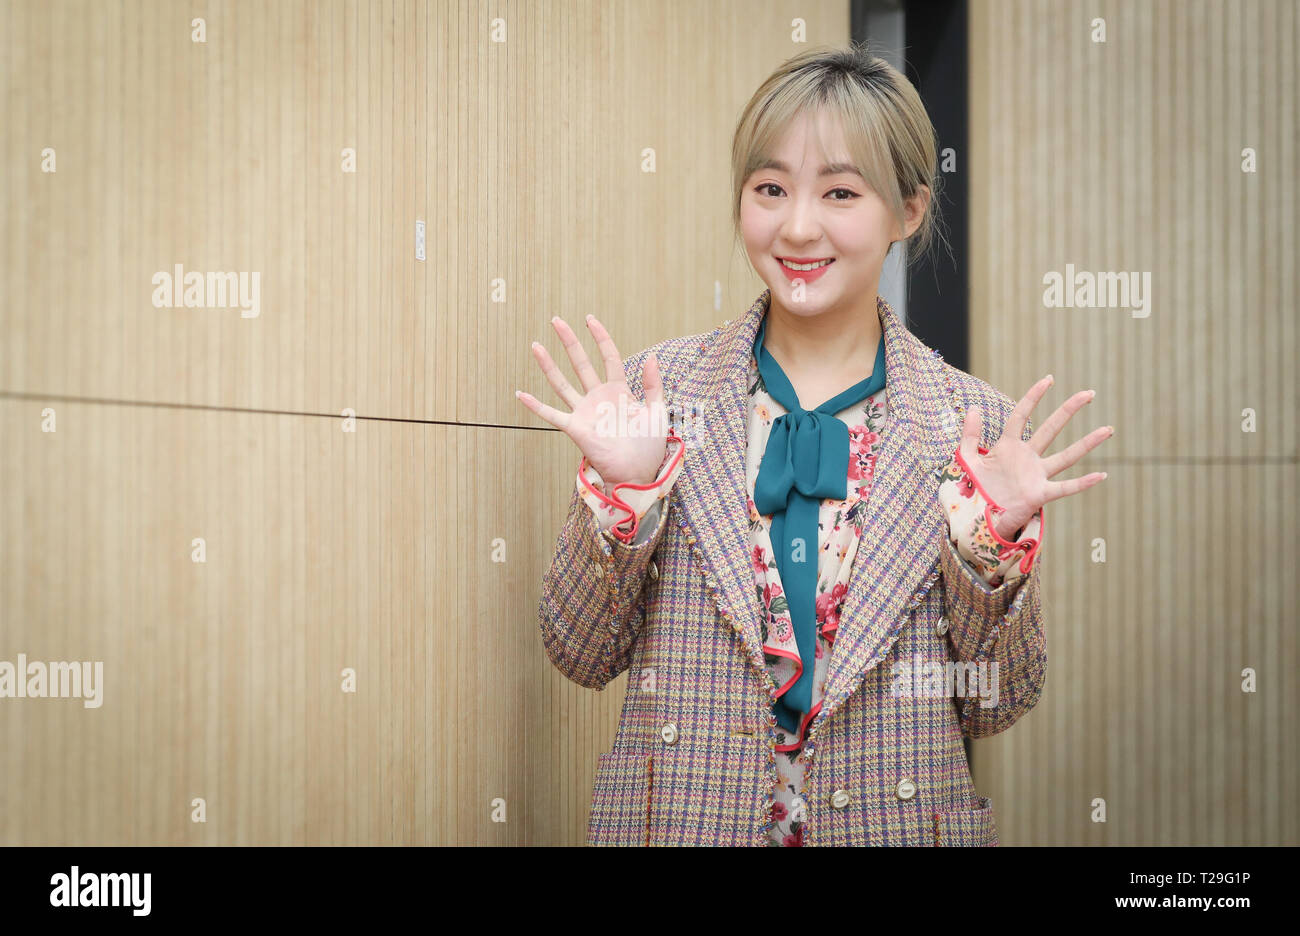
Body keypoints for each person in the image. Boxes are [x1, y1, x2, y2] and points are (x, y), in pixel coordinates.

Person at [515, 43, 1110, 846]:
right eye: (770, 189)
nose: (797, 226)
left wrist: (988, 547)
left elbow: (997, 702)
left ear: (908, 210)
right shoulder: (661, 397)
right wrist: (625, 495)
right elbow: (580, 652)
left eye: (839, 192)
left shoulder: (973, 428)